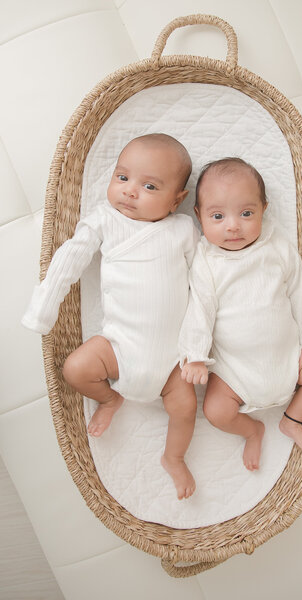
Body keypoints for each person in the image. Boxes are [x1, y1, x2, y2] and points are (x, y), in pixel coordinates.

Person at [22, 133, 199, 499]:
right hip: (118, 348)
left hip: (173, 361)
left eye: (149, 186)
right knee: (75, 369)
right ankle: (108, 399)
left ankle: (174, 457)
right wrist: (43, 310)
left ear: (177, 200)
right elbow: (68, 260)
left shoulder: (182, 230)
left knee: (185, 409)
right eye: (122, 177)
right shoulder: (104, 220)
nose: (130, 191)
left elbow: (206, 281)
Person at [179, 157, 302, 471]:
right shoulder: (207, 261)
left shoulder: (276, 248)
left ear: (264, 209)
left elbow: (300, 293)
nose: (233, 225)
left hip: (288, 356)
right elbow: (199, 309)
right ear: (199, 217)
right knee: (215, 412)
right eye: (218, 216)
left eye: (247, 213)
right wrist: (195, 354)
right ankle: (252, 430)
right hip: (234, 371)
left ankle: (292, 421)